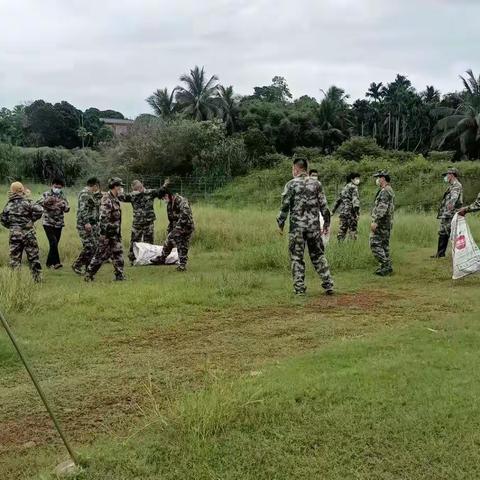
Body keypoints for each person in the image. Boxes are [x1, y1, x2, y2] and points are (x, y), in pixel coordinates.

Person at [277, 157, 334, 296]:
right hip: (314, 228)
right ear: (306, 169)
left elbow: (285, 206)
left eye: (293, 169)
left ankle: (299, 289)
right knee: (318, 255)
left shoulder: (291, 184)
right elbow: (324, 207)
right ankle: (328, 284)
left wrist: (280, 223)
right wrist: (326, 223)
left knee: (297, 258)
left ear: (296, 169)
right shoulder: (317, 184)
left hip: (297, 228)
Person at [1, 182, 43, 282]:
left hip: (14, 234)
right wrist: (31, 220)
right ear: (22, 190)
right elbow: (40, 210)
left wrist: (13, 226)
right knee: (33, 257)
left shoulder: (9, 204)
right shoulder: (26, 202)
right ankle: (37, 279)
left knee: (15, 258)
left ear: (12, 191)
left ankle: (15, 280)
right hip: (28, 234)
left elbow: (3, 219)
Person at [84, 178, 125, 282]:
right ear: (115, 187)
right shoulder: (107, 199)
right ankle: (89, 274)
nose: (121, 188)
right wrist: (103, 234)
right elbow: (103, 217)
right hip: (107, 234)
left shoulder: (115, 198)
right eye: (120, 186)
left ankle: (119, 275)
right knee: (100, 255)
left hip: (114, 233)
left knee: (118, 253)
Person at [120, 179, 169, 265]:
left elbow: (160, 192)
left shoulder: (150, 192)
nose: (139, 190)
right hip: (137, 222)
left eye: (140, 187)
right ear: (134, 189)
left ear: (142, 185)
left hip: (148, 222)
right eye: (136, 189)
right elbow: (121, 197)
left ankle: (149, 259)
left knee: (149, 241)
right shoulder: (132, 196)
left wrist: (165, 186)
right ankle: (133, 258)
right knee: (134, 241)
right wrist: (123, 190)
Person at [151, 189, 195, 271]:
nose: (164, 200)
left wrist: (177, 228)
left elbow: (186, 214)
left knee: (181, 243)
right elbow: (172, 219)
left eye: (163, 198)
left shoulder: (180, 200)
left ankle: (182, 265)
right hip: (178, 226)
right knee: (170, 239)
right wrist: (170, 229)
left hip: (186, 226)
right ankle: (163, 258)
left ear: (167, 195)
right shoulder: (170, 204)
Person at [37, 178, 70, 269]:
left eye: (59, 187)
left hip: (59, 223)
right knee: (53, 241)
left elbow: (67, 208)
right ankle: (56, 263)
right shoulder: (46, 194)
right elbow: (39, 203)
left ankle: (48, 263)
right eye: (56, 187)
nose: (57, 189)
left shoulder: (62, 196)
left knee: (55, 244)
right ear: (52, 185)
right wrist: (48, 201)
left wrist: (63, 206)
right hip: (48, 222)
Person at [72, 177, 102, 274]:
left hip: (92, 223)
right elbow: (83, 209)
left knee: (94, 246)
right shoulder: (85, 194)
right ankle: (77, 264)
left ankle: (88, 267)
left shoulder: (91, 194)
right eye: (97, 186)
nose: (97, 188)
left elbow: (95, 205)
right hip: (84, 224)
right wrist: (86, 222)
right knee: (89, 246)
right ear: (94, 185)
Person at [431, 167, 463, 258]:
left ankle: (458, 255)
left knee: (451, 233)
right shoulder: (452, 186)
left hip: (451, 214)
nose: (445, 177)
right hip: (446, 214)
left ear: (451, 175)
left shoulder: (456, 185)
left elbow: (454, 197)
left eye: (447, 175)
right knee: (442, 232)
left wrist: (450, 205)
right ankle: (440, 254)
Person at [370, 171, 395, 276]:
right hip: (387, 223)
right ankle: (386, 267)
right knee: (384, 245)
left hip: (382, 223)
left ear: (383, 178)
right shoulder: (389, 190)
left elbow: (382, 208)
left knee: (374, 243)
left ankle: (385, 265)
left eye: (379, 177)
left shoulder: (385, 191)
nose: (377, 180)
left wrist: (376, 221)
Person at [332, 173, 361, 241]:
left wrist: (333, 211)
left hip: (343, 212)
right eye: (356, 178)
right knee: (353, 230)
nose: (358, 180)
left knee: (342, 230)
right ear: (352, 179)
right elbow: (355, 200)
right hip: (351, 212)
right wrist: (357, 213)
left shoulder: (344, 188)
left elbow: (338, 200)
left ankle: (340, 245)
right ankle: (352, 246)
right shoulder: (354, 187)